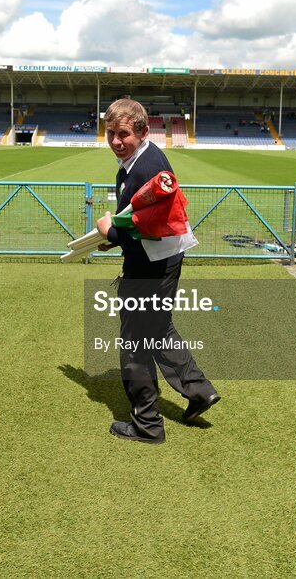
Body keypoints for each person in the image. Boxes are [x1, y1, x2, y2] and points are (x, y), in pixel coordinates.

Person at [95, 98, 220, 444]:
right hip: (161, 259)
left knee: (136, 342)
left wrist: (111, 233)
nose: (116, 142)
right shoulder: (138, 160)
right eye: (111, 134)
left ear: (143, 132)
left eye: (123, 135)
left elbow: (146, 230)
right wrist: (114, 237)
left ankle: (148, 424)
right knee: (159, 328)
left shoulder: (147, 167)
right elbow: (137, 222)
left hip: (151, 263)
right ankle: (198, 390)